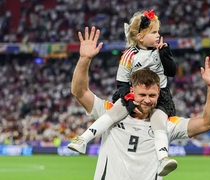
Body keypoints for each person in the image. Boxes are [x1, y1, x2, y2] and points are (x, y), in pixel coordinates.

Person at [69, 25, 210, 180]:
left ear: (159, 95)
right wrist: (84, 59)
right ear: (131, 92)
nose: (147, 100)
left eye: (152, 95)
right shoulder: (110, 112)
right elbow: (79, 92)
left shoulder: (167, 124)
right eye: (142, 94)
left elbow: (208, 123)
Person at [68, 9, 178, 176]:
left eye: (158, 32)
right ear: (140, 36)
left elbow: (172, 71)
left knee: (159, 121)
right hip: (131, 94)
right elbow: (121, 81)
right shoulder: (129, 54)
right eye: (154, 32)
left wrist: (165, 54)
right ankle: (83, 139)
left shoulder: (161, 50)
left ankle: (163, 158)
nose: (158, 35)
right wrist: (128, 97)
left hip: (160, 96)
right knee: (113, 113)